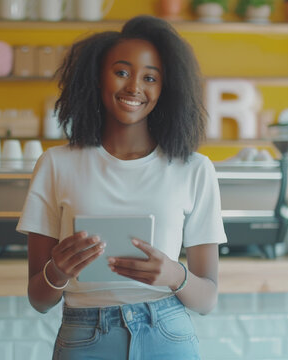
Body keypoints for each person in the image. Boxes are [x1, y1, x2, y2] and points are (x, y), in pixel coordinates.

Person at [16, 15, 227, 360]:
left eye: (150, 78)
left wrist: (175, 275)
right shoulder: (56, 164)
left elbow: (207, 300)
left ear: (165, 88)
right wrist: (58, 270)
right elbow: (39, 299)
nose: (134, 88)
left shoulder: (195, 169)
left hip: (168, 333)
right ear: (97, 77)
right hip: (84, 336)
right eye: (122, 72)